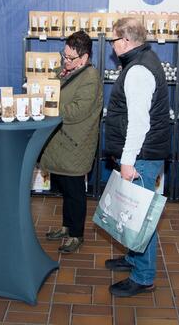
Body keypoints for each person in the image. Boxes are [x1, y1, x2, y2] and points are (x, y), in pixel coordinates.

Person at [103, 17, 170, 297]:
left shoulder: (138, 70)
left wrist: (128, 161)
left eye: (114, 40)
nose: (112, 45)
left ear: (126, 41)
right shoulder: (143, 60)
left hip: (141, 155)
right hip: (144, 152)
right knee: (132, 211)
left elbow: (139, 123)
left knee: (140, 216)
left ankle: (143, 277)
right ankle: (134, 259)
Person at [41, 30, 103, 253]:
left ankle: (76, 234)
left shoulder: (90, 77)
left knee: (75, 191)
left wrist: (49, 107)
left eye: (70, 57)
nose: (65, 60)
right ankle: (66, 227)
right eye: (64, 55)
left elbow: (78, 110)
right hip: (62, 142)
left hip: (76, 143)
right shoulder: (65, 71)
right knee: (66, 189)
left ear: (84, 58)